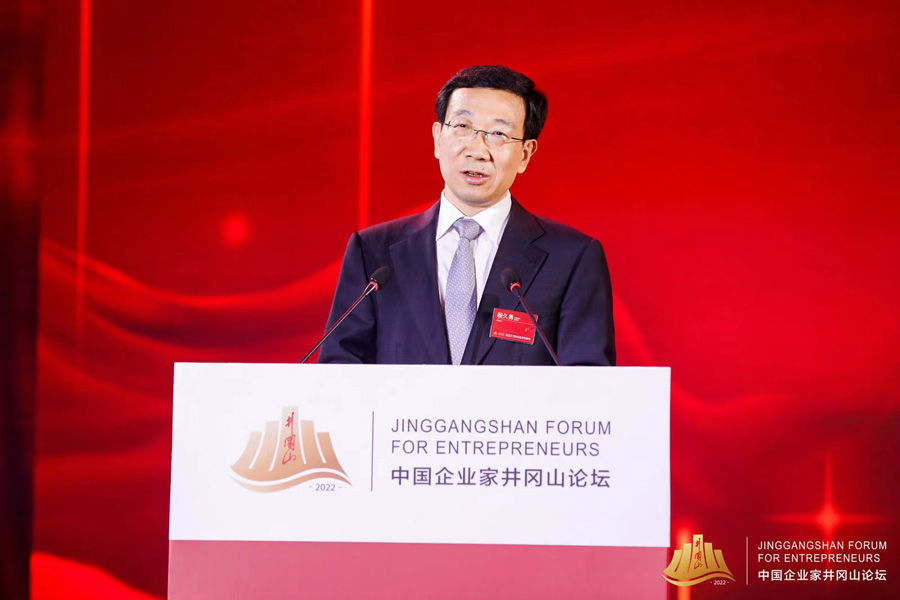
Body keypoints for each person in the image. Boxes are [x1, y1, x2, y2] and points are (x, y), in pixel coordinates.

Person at [318, 65, 614, 366]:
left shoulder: (571, 258)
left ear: (525, 154)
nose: (477, 150)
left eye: (498, 134)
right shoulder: (373, 253)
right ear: (438, 138)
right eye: (462, 126)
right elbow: (338, 372)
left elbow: (589, 381)